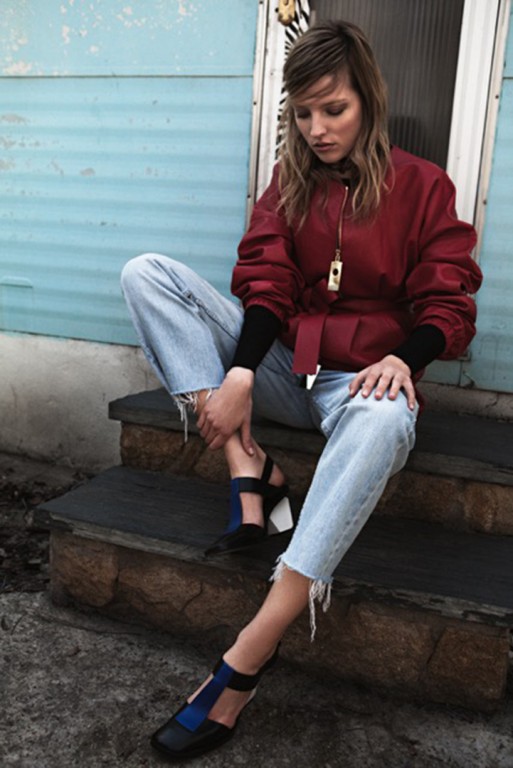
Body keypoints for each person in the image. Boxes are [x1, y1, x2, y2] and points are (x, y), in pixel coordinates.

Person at [121, 20, 482, 760]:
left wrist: (403, 360)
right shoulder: (289, 182)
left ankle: (254, 646)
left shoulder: (423, 187)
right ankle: (246, 464)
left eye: (334, 109)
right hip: (289, 368)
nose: (317, 129)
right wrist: (242, 372)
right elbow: (266, 282)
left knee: (385, 421)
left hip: (361, 382)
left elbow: (449, 301)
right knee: (147, 274)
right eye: (304, 112)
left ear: (368, 102)